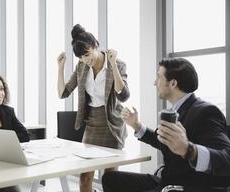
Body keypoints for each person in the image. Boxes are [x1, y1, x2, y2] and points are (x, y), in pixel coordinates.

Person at [102, 58, 230, 192]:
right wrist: (136, 125)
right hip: (165, 179)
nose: (155, 82)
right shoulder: (176, 110)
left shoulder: (205, 112)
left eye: (159, 77)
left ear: (173, 83)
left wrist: (189, 150)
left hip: (180, 186)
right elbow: (165, 142)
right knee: (110, 179)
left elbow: (227, 159)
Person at [57, 24, 130, 192]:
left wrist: (112, 65)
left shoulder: (118, 64)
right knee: (85, 177)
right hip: (92, 124)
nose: (86, 60)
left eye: (87, 54)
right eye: (81, 57)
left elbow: (123, 95)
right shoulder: (81, 67)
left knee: (110, 179)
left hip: (112, 124)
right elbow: (63, 93)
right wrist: (60, 68)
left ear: (96, 45)